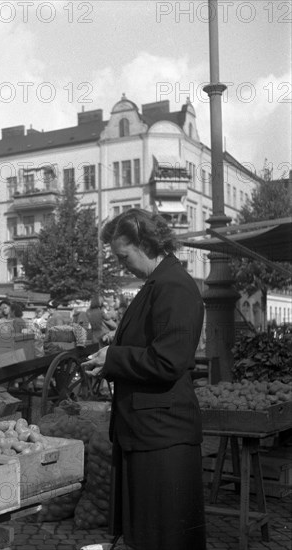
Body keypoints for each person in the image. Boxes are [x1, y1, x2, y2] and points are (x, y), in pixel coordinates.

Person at [82, 208, 206, 550]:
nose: (122, 265)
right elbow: (152, 343)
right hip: (147, 432)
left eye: (123, 256)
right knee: (148, 536)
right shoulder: (156, 284)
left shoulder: (174, 286)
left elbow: (169, 359)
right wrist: (115, 344)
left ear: (144, 243)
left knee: (165, 537)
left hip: (162, 436)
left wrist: (115, 358)